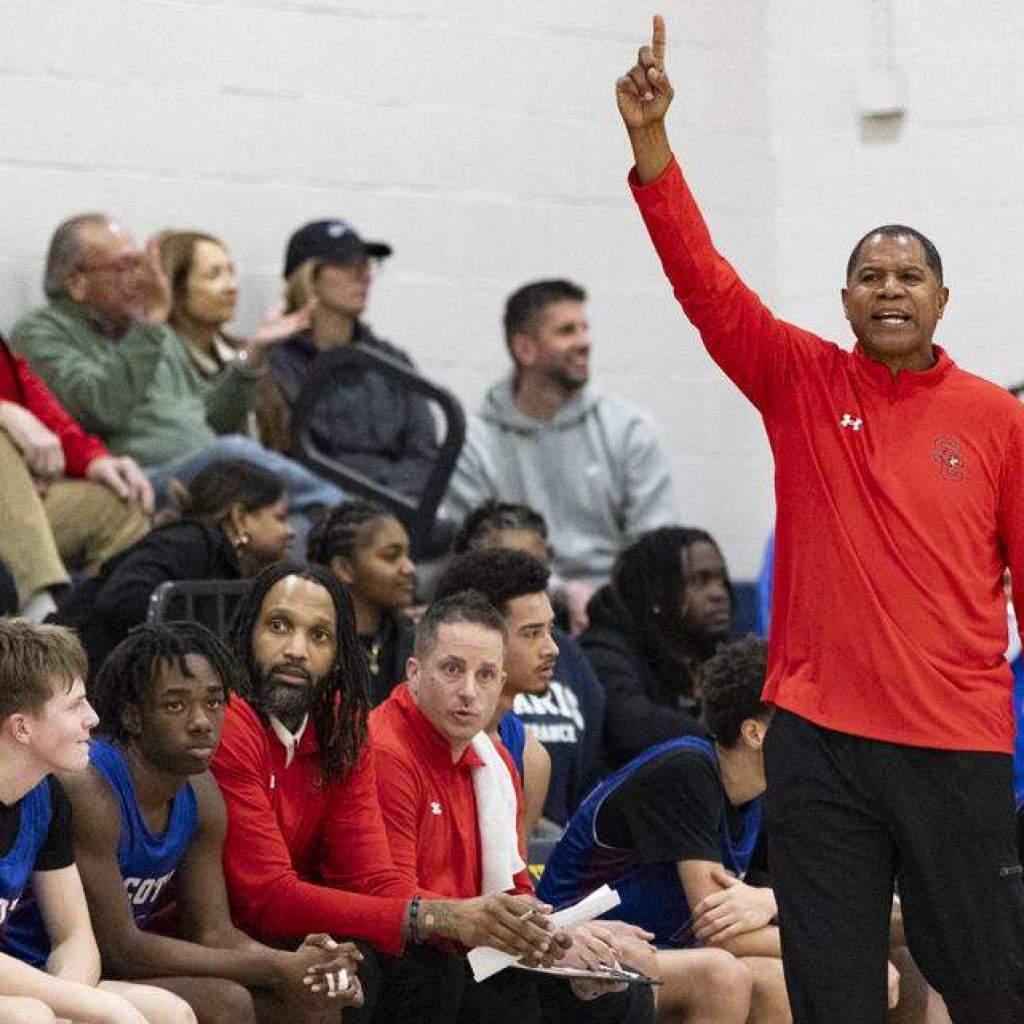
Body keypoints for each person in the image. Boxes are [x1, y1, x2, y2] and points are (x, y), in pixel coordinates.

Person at [618, 16, 1024, 1022]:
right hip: (819, 743)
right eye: (871, 276)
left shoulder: (995, 418)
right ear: (844, 297)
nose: (889, 288)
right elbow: (703, 284)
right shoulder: (799, 379)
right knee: (832, 986)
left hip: (955, 743)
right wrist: (652, 145)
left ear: (941, 299)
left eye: (909, 276)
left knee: (984, 981)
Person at [211, 562, 565, 1020]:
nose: (296, 649)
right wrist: (443, 919)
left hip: (301, 929)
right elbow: (269, 896)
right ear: (246, 632)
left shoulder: (343, 725)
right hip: (228, 936)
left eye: (319, 636)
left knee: (437, 970)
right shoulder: (230, 722)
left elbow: (371, 878)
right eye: (279, 626)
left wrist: (528, 927)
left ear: (339, 654)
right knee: (394, 969)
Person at [6, 621, 362, 1023]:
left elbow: (212, 931)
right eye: (176, 705)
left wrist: (303, 967)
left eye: (213, 703)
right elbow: (121, 947)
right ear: (133, 717)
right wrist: (277, 968)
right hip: (54, 966)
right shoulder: (88, 787)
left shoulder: (202, 793)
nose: (201, 722)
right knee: (226, 1003)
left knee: (311, 1002)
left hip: (90, 969)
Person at [369, 591, 658, 1024]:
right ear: (414, 673)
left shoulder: (497, 758)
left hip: (476, 949)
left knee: (614, 990)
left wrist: (559, 938)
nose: (468, 692)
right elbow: (392, 901)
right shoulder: (385, 749)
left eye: (485, 675)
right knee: (482, 991)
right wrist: (512, 933)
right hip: (411, 949)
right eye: (452, 670)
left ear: (501, 684)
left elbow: (518, 890)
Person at [9, 213, 344, 515]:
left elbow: (212, 417)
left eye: (140, 265)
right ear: (77, 282)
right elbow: (99, 407)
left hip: (207, 466)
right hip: (142, 478)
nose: (138, 279)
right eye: (124, 267)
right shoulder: (42, 333)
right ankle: (351, 512)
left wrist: (252, 351)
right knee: (233, 455)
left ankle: (342, 528)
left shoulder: (152, 335)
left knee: (298, 526)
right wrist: (150, 327)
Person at [443, 278, 677, 633]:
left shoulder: (631, 430)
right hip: (510, 613)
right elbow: (472, 554)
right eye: (567, 331)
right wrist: (558, 592)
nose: (584, 342)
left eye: (585, 328)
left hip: (619, 614)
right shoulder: (474, 441)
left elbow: (654, 546)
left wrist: (604, 602)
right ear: (525, 348)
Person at [0, 619, 195, 1024]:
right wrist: (89, 1005)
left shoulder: (46, 794)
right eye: (74, 705)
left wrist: (71, 1004)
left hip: (23, 980)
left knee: (169, 1013)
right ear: (21, 727)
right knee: (30, 1017)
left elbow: (74, 936)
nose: (92, 718)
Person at [56, 459, 293, 675]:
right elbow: (126, 598)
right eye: (280, 518)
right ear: (240, 517)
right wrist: (193, 654)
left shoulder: (227, 559)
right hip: (72, 675)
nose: (290, 531)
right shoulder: (190, 540)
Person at [255, 220, 438, 498]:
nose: (364, 275)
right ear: (309, 277)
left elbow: (424, 453)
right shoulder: (277, 363)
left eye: (366, 264)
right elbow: (285, 456)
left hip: (397, 508)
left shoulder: (392, 361)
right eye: (346, 264)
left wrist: (388, 501)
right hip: (317, 507)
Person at [436, 540, 602, 831]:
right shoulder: (399, 740)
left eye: (550, 630)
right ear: (478, 634)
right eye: (531, 633)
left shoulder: (531, 756)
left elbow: (515, 875)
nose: (552, 649)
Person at [0, 329, 151, 620]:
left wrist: (91, 459)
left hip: (25, 495)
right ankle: (42, 629)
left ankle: (96, 639)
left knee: (122, 503)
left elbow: (27, 390)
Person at [579, 527, 732, 768]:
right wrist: (729, 739)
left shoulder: (715, 650)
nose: (718, 593)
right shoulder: (604, 650)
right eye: (700, 581)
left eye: (720, 579)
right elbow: (630, 725)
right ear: (658, 591)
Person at [306, 500, 416, 705]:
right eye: (392, 556)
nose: (409, 568)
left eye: (408, 555)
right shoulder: (312, 645)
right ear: (344, 568)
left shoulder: (413, 638)